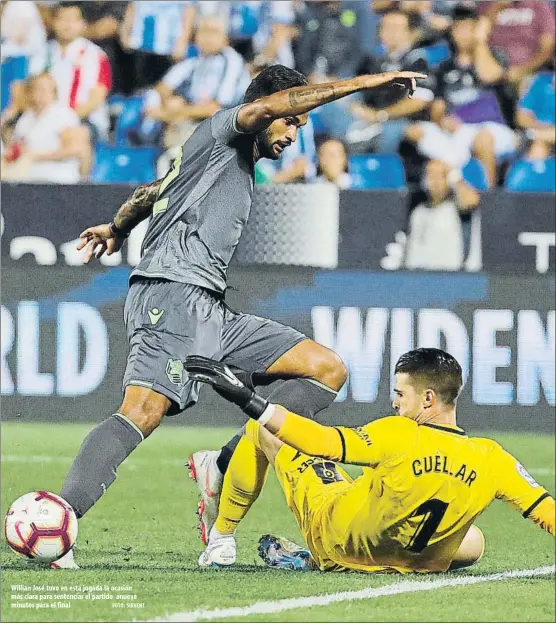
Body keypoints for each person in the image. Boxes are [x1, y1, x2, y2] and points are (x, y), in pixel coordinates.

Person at [52, 64, 425, 569]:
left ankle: (223, 465)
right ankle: (57, 523)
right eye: (293, 123)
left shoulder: (217, 159)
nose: (294, 135)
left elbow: (151, 191)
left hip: (210, 307)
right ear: (272, 107)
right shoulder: (228, 125)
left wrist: (117, 228)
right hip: (173, 292)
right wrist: (365, 84)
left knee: (326, 369)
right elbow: (271, 107)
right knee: (142, 411)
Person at [184, 348, 555, 570]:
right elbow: (546, 512)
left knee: (263, 431)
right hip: (416, 562)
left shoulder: (399, 431)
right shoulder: (492, 458)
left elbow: (322, 441)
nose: (395, 402)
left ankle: (221, 540)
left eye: (400, 394)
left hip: (340, 544)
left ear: (427, 399)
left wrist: (251, 402)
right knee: (473, 542)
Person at [405, 4, 517, 187]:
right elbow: (437, 108)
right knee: (415, 131)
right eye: (459, 29)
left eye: (469, 29)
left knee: (483, 139)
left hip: (494, 129)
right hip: (458, 132)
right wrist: (443, 120)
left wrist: (480, 42)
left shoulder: (496, 56)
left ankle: (487, 198)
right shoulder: (443, 67)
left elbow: (488, 76)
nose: (464, 34)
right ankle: (457, 173)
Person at [2, 73, 86, 184]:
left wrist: (38, 156)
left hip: (57, 179)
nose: (40, 93)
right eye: (36, 88)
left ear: (54, 92)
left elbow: (75, 149)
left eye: (44, 89)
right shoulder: (26, 118)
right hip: (28, 179)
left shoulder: (64, 114)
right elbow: (19, 146)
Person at [404, 159, 481, 271]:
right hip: (422, 278)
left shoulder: (457, 207)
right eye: (430, 175)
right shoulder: (419, 212)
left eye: (440, 176)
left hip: (453, 277)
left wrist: (455, 176)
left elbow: (471, 200)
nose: (435, 181)